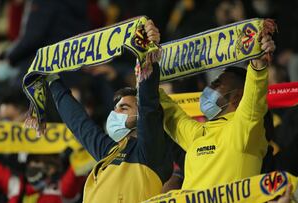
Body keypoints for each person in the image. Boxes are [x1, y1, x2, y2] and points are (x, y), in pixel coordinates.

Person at [47, 20, 173, 202]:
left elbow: (148, 103)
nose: (115, 113)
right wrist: (51, 79)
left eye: (124, 107)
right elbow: (78, 122)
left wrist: (145, 49)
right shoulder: (109, 152)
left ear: (140, 116)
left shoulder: (151, 151)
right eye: (115, 108)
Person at [159, 34, 276, 190]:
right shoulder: (197, 133)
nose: (208, 88)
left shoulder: (246, 128)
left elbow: (255, 93)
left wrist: (258, 62)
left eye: (217, 84)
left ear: (237, 96)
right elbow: (167, 108)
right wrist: (146, 71)